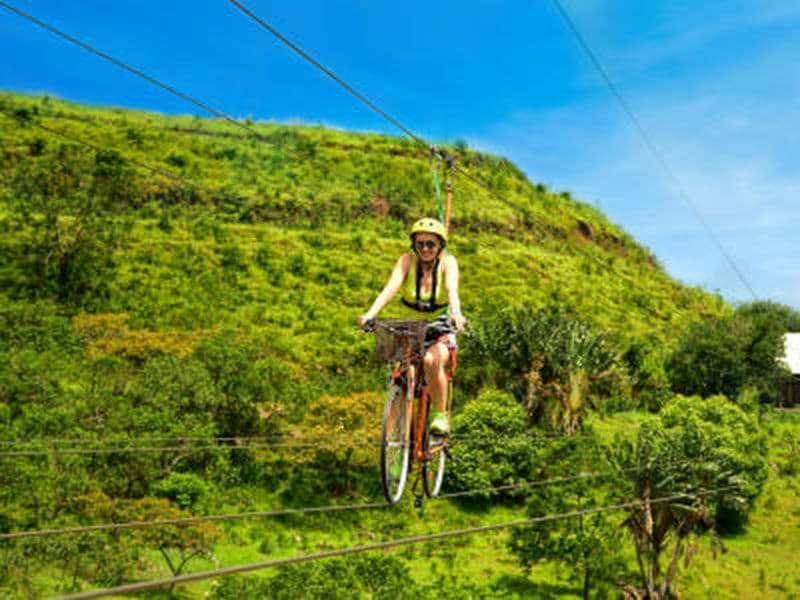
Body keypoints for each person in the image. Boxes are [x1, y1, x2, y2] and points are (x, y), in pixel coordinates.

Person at [358, 217, 466, 435]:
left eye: (431, 244)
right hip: (411, 327)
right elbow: (390, 289)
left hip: (440, 326)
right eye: (420, 244)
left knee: (430, 361)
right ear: (414, 245)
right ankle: (401, 419)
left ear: (440, 246)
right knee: (407, 370)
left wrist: (456, 314)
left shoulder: (448, 263)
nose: (425, 249)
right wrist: (370, 314)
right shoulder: (406, 261)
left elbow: (452, 291)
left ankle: (439, 415)